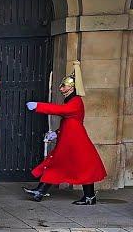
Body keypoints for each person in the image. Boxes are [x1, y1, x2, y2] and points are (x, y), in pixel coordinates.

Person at [23, 60, 107, 204]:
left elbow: (62, 111)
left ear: (72, 88)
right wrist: (57, 132)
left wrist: (39, 106)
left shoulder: (75, 102)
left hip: (75, 141)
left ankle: (89, 197)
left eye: (64, 85)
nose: (61, 88)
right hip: (69, 139)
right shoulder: (71, 100)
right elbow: (69, 122)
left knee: (80, 167)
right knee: (58, 163)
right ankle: (41, 191)